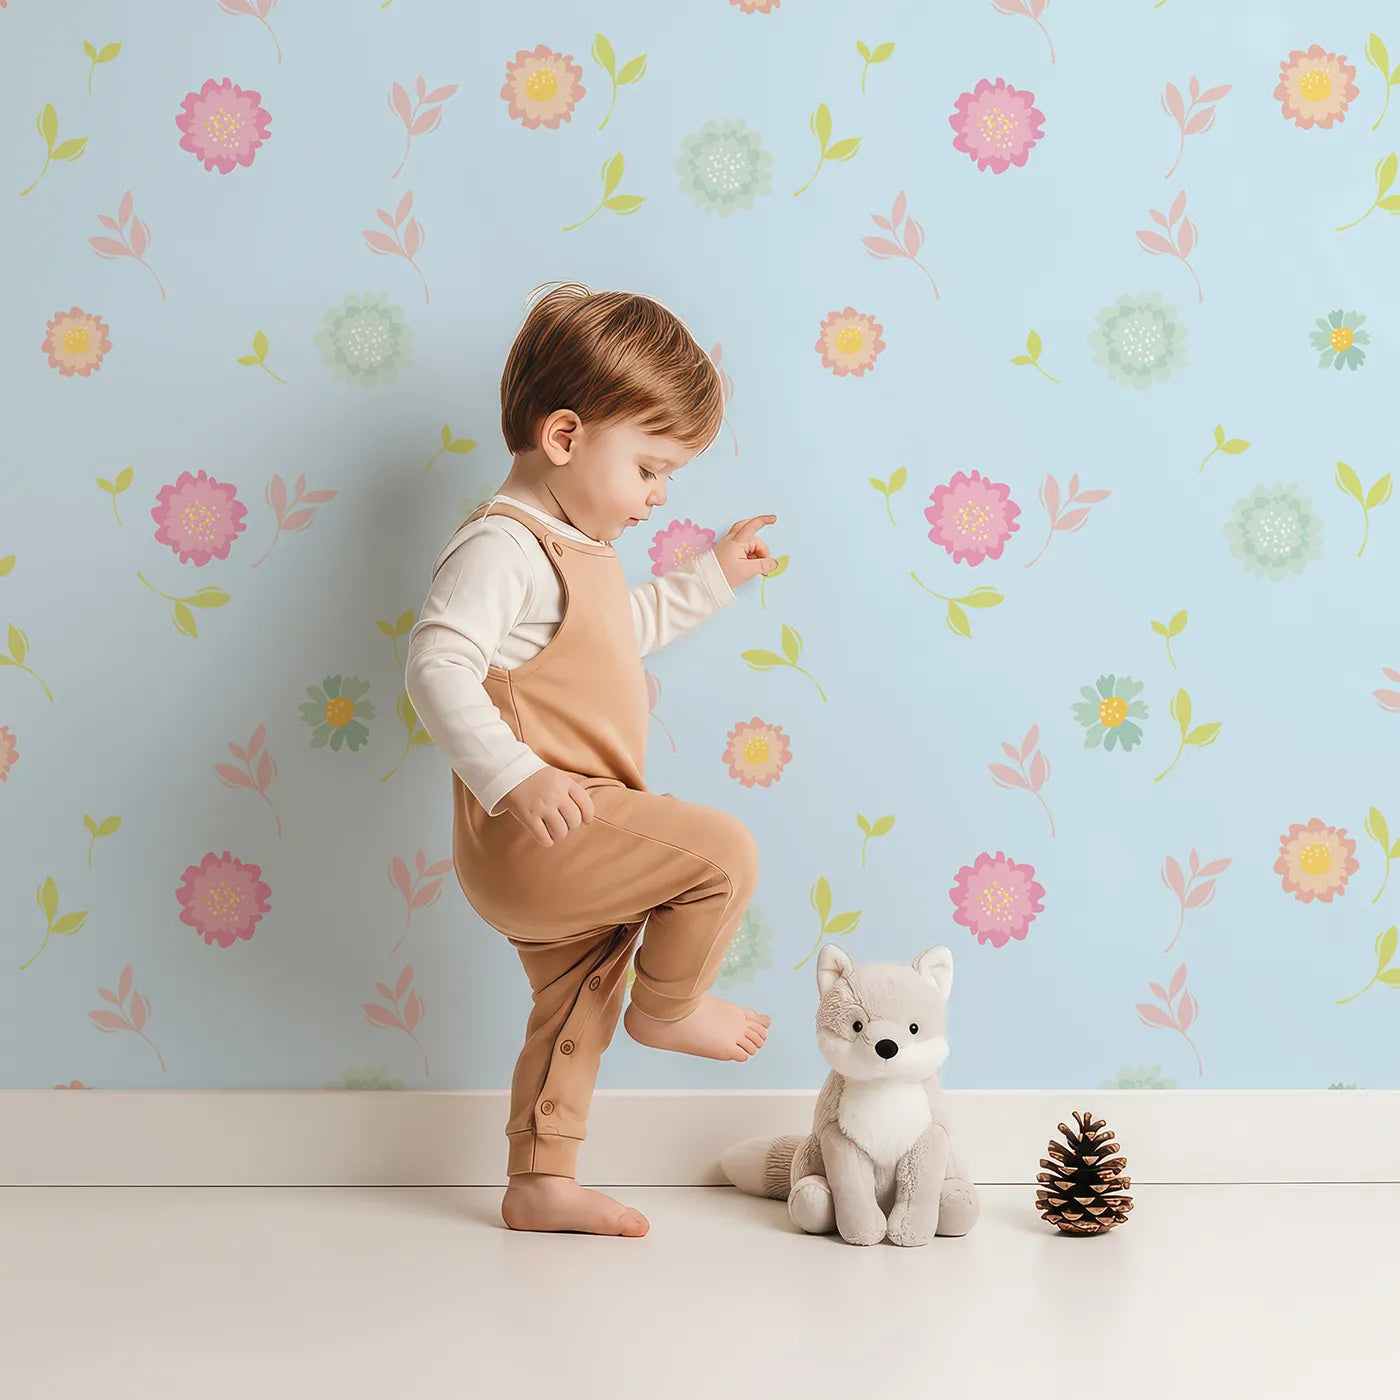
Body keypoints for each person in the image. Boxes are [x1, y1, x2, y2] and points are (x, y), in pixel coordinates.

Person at [405, 281, 778, 1237]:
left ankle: (540, 1183)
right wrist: (515, 776)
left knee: (578, 1005)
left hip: (564, 832)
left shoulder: (579, 550)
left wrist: (714, 580)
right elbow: (435, 665)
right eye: (651, 470)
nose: (659, 498)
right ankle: (672, 1006)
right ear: (565, 438)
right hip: (539, 828)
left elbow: (623, 632)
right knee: (721, 852)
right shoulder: (503, 548)